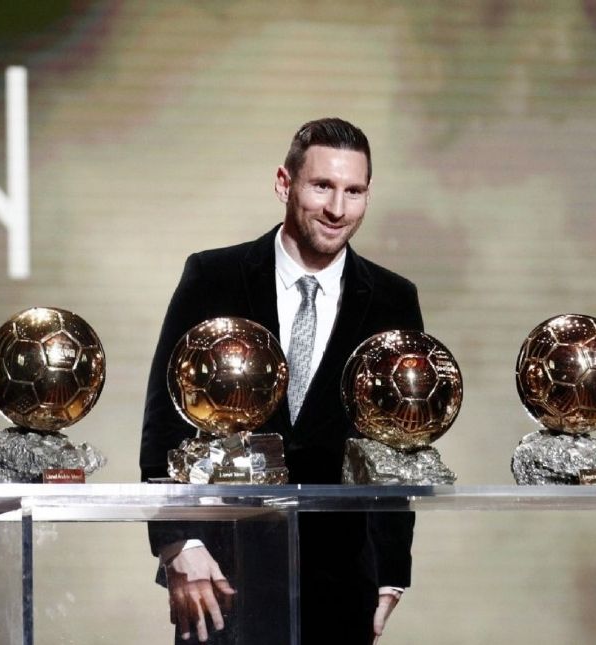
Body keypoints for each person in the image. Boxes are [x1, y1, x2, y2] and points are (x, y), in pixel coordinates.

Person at [139, 118, 421, 644]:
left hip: (339, 579)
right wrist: (179, 543)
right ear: (283, 183)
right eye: (322, 186)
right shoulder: (213, 276)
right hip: (221, 573)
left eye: (353, 191)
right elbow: (166, 417)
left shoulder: (392, 298)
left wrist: (390, 572)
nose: (338, 208)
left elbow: (394, 447)